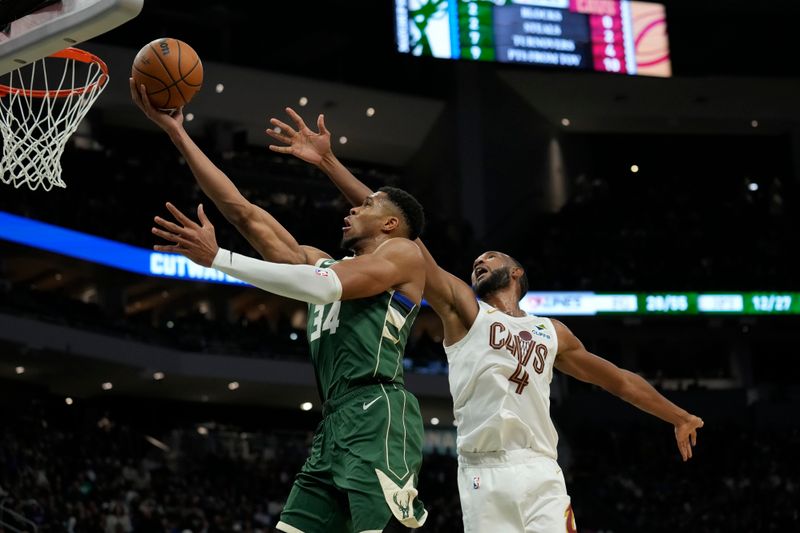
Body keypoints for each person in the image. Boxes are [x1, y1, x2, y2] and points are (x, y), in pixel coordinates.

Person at [267, 107, 706, 533]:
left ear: (516, 273)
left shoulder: (551, 331)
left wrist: (677, 415)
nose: (479, 261)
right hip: (481, 470)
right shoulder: (463, 308)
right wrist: (328, 162)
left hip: (539, 469)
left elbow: (617, 380)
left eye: (489, 258)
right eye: (476, 260)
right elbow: (396, 229)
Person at [130, 80, 429, 533]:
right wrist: (176, 133)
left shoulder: (404, 255)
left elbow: (325, 287)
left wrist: (219, 259)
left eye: (366, 204)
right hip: (334, 422)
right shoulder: (320, 259)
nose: (351, 209)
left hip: (378, 412)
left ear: (390, 223)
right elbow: (242, 212)